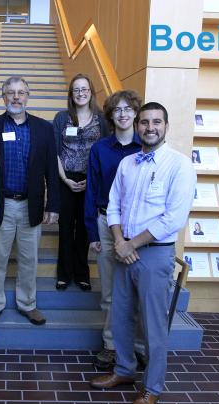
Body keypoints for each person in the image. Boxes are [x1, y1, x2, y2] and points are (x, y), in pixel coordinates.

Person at [90, 102, 196, 404]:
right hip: (124, 250)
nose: (150, 127)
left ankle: (151, 389)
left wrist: (131, 243)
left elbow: (173, 218)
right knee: (120, 315)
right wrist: (120, 240)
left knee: (152, 327)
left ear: (166, 126)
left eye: (156, 122)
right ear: (137, 126)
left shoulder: (179, 165)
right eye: (145, 122)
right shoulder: (128, 164)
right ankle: (124, 369)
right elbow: (112, 206)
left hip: (154, 255)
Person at [0, 76, 60, 326]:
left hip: (30, 205)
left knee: (29, 259)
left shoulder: (44, 128)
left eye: (21, 92)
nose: (16, 97)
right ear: (3, 97)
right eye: (10, 93)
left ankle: (27, 304)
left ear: (27, 96)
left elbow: (50, 170)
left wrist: (52, 204)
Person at [84, 90, 142, 370]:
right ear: (110, 115)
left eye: (128, 109)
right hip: (106, 223)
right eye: (117, 110)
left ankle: (135, 347)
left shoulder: (146, 146)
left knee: (136, 291)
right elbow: (92, 191)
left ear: (135, 113)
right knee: (109, 291)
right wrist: (92, 234)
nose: (122, 114)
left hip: (140, 228)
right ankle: (109, 345)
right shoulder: (100, 149)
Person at [53, 74, 109, 291]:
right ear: (71, 94)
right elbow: (55, 152)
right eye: (76, 89)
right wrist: (65, 179)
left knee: (86, 228)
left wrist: (92, 180)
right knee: (66, 228)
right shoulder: (61, 118)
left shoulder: (102, 119)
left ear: (91, 92)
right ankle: (64, 274)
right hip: (65, 178)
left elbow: (105, 151)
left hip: (91, 181)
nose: (80, 93)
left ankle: (82, 273)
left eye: (84, 89)